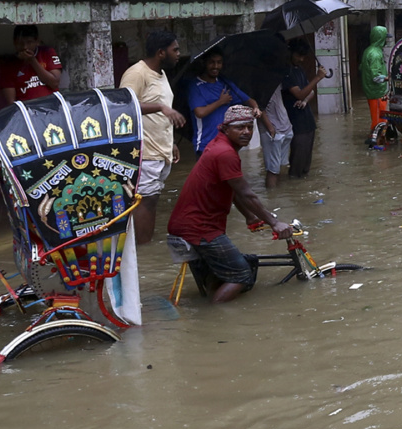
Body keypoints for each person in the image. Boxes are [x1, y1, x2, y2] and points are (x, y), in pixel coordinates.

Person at [167, 106, 293, 304]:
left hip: (190, 225)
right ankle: (215, 317)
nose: (246, 132)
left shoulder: (219, 145)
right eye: (240, 127)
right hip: (200, 228)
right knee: (241, 275)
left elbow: (231, 188)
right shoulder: (225, 153)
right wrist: (274, 222)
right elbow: (247, 194)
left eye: (250, 127)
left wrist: (249, 216)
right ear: (225, 129)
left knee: (221, 275)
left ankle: (211, 302)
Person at [119, 30, 186, 245]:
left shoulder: (162, 74)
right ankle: (142, 250)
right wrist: (160, 107)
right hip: (144, 152)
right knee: (145, 202)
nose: (178, 53)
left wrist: (172, 142)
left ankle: (142, 248)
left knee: (152, 200)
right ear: (160, 52)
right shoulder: (136, 73)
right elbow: (123, 107)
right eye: (175, 49)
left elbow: (161, 115)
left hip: (160, 150)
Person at [187, 48, 260, 159]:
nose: (215, 66)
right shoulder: (195, 86)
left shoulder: (225, 83)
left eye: (219, 63)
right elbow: (200, 112)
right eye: (212, 62)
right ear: (204, 63)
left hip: (226, 142)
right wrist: (221, 102)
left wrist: (255, 108)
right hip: (205, 143)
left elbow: (248, 100)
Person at [281, 39, 327, 179]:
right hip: (295, 121)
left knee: (306, 161)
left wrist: (305, 101)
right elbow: (299, 93)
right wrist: (318, 78)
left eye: (303, 56)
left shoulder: (299, 69)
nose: (301, 59)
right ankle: (294, 184)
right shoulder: (286, 72)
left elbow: (309, 93)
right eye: (298, 55)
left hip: (307, 120)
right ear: (290, 53)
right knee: (297, 159)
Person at [0, 25, 62, 104]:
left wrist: (32, 61)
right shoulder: (8, 65)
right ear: (14, 43)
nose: (25, 47)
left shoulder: (47, 53)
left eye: (29, 42)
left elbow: (54, 83)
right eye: (20, 43)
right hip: (28, 112)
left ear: (37, 41)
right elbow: (11, 103)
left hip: (52, 107)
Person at [259, 82, 293, 188]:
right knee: (272, 170)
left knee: (281, 167)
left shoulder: (277, 81)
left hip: (285, 128)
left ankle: (278, 196)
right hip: (272, 131)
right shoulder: (259, 83)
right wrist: (270, 128)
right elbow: (259, 107)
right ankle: (272, 198)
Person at [359, 26, 390, 140]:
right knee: (379, 119)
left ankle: (378, 137)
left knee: (377, 116)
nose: (386, 40)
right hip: (376, 92)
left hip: (371, 90)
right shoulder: (375, 54)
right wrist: (388, 79)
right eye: (385, 38)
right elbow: (376, 77)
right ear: (381, 38)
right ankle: (375, 139)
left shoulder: (368, 50)